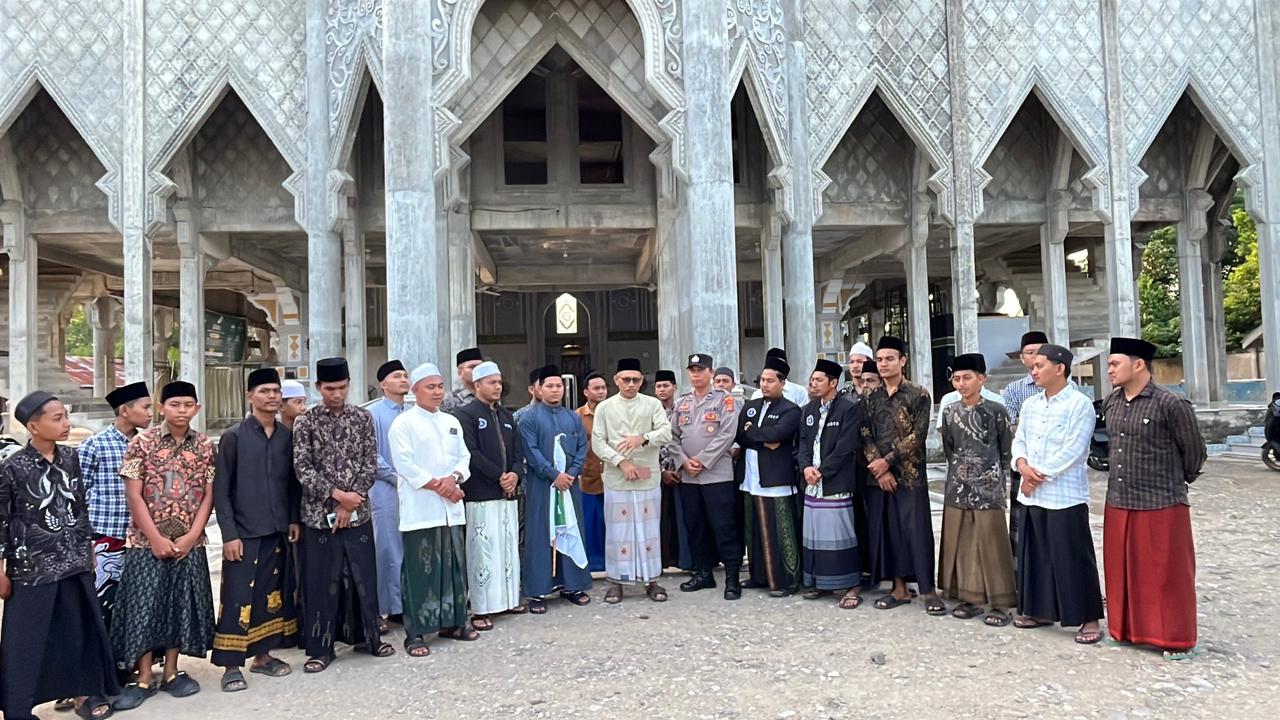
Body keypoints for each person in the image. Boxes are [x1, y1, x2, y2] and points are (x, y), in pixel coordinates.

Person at [1, 392, 118, 720]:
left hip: (74, 561)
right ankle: (18, 710)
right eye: (58, 418)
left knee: (79, 631)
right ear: (33, 427)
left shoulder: (71, 457)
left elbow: (79, 505)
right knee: (26, 641)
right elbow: (2, 520)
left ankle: (83, 694)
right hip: (31, 567)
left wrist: (89, 547)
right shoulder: (13, 467)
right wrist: (0, 570)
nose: (67, 423)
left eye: (66, 416)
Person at [111, 381, 216, 709]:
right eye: (174, 404)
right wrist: (155, 538)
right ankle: (143, 675)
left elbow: (208, 495)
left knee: (179, 606)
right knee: (144, 608)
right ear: (161, 408)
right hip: (145, 543)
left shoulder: (205, 445)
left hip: (189, 542)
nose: (182, 410)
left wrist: (192, 535)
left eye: (188, 404)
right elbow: (134, 494)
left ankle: (171, 671)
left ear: (197, 408)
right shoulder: (141, 442)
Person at [1102, 337, 1206, 659]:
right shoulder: (1112, 402)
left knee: (1167, 574)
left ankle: (1175, 639)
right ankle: (1125, 630)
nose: (1109, 370)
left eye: (1115, 363)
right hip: (1119, 498)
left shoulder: (1170, 403)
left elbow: (1195, 452)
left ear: (1138, 364)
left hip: (1162, 501)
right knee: (1122, 571)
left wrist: (1176, 481)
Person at [292, 358, 394, 673]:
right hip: (318, 515)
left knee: (363, 576)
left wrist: (352, 502)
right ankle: (321, 649)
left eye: (341, 387)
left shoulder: (362, 418)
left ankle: (369, 638)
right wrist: (337, 497)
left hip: (358, 513)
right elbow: (303, 468)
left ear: (349, 385)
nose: (336, 394)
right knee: (323, 580)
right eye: (330, 389)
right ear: (318, 388)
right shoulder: (306, 422)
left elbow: (370, 461)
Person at [211, 369, 301, 692]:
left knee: (270, 596)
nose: (272, 397)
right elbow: (221, 490)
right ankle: (231, 666)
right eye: (264, 391)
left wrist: (293, 519)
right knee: (237, 596)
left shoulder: (286, 436)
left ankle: (263, 657)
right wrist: (229, 535)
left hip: (276, 529)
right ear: (250, 396)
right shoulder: (233, 437)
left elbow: (291, 484)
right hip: (244, 532)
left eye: (276, 391)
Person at [1010, 344, 1105, 644]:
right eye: (1032, 366)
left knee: (1072, 556)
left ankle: (1088, 618)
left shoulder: (1079, 404)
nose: (1033, 371)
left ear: (1060, 368)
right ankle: (1040, 611)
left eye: (1039, 365)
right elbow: (1019, 440)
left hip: (1064, 495)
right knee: (1036, 556)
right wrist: (1022, 466)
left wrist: (1036, 476)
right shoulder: (1031, 405)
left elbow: (1074, 450)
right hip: (1032, 493)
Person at [388, 363, 478, 655]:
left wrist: (454, 478)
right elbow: (405, 465)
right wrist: (442, 486)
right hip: (421, 510)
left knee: (453, 569)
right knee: (420, 572)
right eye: (431, 387)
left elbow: (463, 457)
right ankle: (415, 634)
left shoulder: (450, 421)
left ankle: (454, 623)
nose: (437, 392)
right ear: (415, 390)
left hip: (451, 510)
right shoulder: (403, 424)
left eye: (440, 386)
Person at [936, 354, 1017, 627]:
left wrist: (994, 478)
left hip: (988, 486)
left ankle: (1001, 604)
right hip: (957, 486)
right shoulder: (949, 412)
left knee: (992, 543)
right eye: (956, 379)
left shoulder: (996, 410)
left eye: (967, 377)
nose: (961, 384)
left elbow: (1005, 449)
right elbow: (949, 449)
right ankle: (969, 598)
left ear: (982, 379)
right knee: (962, 542)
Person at [861, 336, 939, 613]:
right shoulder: (870, 397)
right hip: (881, 478)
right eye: (880, 360)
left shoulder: (918, 394)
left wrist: (888, 461)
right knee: (891, 532)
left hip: (910, 475)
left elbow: (918, 436)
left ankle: (928, 590)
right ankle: (899, 588)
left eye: (889, 359)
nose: (883, 364)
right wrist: (878, 467)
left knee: (917, 532)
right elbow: (865, 433)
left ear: (902, 360)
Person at [590, 358, 674, 604]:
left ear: (641, 380)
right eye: (626, 379)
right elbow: (598, 443)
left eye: (635, 380)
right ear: (616, 380)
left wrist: (643, 438)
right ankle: (616, 582)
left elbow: (666, 432)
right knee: (618, 532)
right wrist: (621, 462)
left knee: (649, 531)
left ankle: (652, 581)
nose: (630, 384)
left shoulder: (652, 404)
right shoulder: (605, 408)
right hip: (618, 479)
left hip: (647, 478)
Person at [452, 361, 526, 630]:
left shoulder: (507, 416)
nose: (498, 387)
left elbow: (517, 452)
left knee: (507, 549)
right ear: (477, 385)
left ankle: (508, 600)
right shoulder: (466, 415)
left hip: (507, 494)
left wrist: (514, 474)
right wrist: (499, 476)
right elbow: (470, 453)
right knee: (482, 552)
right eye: (492, 382)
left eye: (499, 382)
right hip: (480, 494)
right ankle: (481, 608)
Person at [79, 382, 151, 642]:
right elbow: (78, 494)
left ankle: (135, 659)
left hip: (143, 538)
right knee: (105, 603)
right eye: (145, 407)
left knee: (139, 603)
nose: (150, 413)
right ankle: (105, 662)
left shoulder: (149, 445)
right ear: (124, 410)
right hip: (107, 537)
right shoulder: (95, 445)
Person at [518, 365, 594, 613]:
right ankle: (538, 590)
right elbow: (531, 452)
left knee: (571, 529)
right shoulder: (529, 418)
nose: (554, 390)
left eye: (558, 385)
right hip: (542, 486)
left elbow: (582, 447)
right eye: (549, 386)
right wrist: (554, 475)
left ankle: (573, 586)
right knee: (541, 534)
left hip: (569, 485)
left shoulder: (573, 417)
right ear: (538, 389)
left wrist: (571, 473)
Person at [669, 353, 743, 599]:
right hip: (689, 477)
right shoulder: (683, 403)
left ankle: (732, 578)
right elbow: (672, 437)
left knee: (724, 527)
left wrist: (701, 460)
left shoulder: (725, 400)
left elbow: (727, 434)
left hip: (717, 475)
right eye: (692, 370)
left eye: (700, 370)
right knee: (695, 526)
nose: (696, 374)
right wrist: (683, 461)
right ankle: (703, 573)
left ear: (711, 372)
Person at [797, 359, 865, 608]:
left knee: (840, 534)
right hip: (811, 483)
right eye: (812, 380)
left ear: (833, 383)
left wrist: (822, 471)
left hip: (835, 483)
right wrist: (806, 467)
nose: (813, 384)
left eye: (819, 380)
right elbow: (803, 442)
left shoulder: (848, 409)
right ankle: (820, 582)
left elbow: (845, 447)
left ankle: (851, 585)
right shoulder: (808, 409)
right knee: (814, 535)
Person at [736, 355, 802, 597]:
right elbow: (742, 436)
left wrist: (756, 433)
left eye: (770, 380)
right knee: (753, 529)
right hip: (750, 478)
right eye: (762, 380)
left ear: (782, 383)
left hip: (776, 479)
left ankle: (787, 580)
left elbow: (778, 434)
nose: (764, 384)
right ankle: (759, 576)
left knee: (781, 531)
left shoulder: (791, 410)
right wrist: (763, 439)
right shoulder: (750, 406)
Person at [1001, 330, 1048, 565]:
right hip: (1023, 462)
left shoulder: (1067, 387)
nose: (1035, 357)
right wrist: (1024, 467)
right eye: (1030, 353)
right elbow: (1010, 427)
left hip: (1053, 465)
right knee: (1021, 521)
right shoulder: (1014, 389)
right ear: (1022, 358)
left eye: (1040, 352)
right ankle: (1021, 574)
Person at [368, 360, 409, 631]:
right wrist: (397, 478)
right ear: (383, 384)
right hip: (385, 490)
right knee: (386, 548)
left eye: (405, 375)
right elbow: (371, 454)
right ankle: (384, 607)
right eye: (396, 376)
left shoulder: (413, 413)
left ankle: (405, 603)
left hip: (413, 491)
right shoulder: (373, 414)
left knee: (408, 546)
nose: (403, 379)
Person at [655, 369, 694, 572]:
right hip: (658, 473)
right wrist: (662, 470)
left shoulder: (684, 408)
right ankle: (662, 561)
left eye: (666, 385)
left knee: (684, 517)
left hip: (682, 471)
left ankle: (685, 560)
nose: (662, 390)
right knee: (662, 518)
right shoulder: (651, 410)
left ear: (674, 387)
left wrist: (681, 465)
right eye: (659, 386)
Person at [575, 371, 609, 573]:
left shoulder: (614, 412)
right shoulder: (577, 416)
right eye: (596, 388)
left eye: (604, 387)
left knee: (611, 523)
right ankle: (592, 565)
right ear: (586, 392)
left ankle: (612, 563)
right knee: (589, 523)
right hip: (587, 478)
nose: (601, 391)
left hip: (613, 478)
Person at [442, 347, 484, 412]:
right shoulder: (450, 401)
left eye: (480, 367)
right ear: (460, 372)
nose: (477, 370)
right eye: (472, 367)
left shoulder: (491, 396)